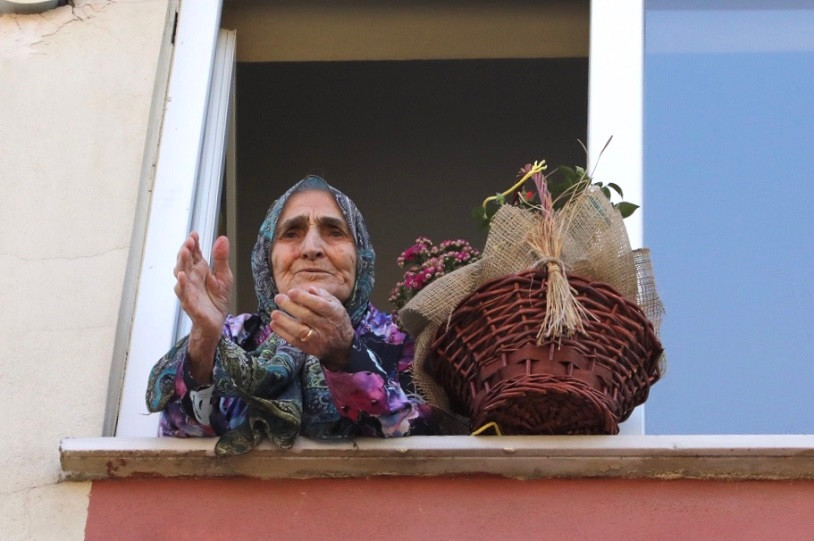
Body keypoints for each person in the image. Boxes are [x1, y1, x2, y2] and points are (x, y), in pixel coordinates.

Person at [146, 176, 434, 455]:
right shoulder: (234, 337)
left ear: (361, 256)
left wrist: (346, 355)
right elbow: (179, 437)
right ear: (266, 260)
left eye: (334, 232)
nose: (311, 249)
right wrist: (204, 338)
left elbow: (427, 440)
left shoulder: (400, 340)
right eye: (291, 233)